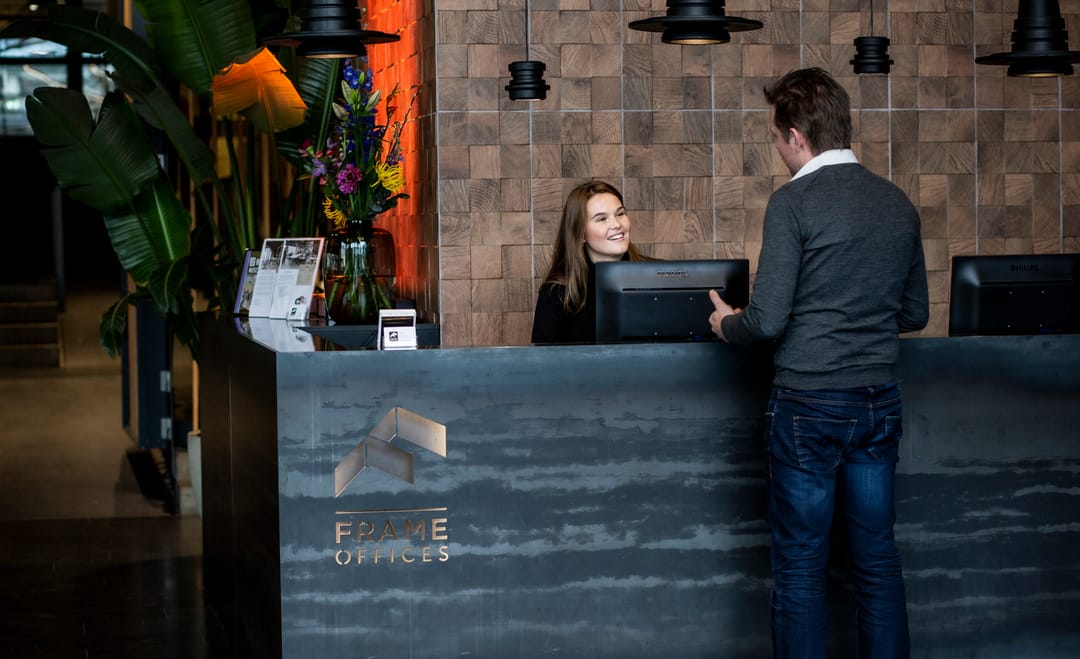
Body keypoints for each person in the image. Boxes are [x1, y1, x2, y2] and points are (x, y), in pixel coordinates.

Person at [708, 68, 928, 659]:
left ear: (797, 135)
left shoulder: (793, 202)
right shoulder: (896, 203)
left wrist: (726, 324)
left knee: (802, 565)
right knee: (877, 560)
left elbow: (766, 321)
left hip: (808, 404)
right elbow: (915, 312)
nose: (779, 150)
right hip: (878, 402)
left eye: (777, 138)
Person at [531, 180, 650, 343]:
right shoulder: (557, 293)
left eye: (620, 214)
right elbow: (542, 357)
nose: (616, 224)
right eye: (602, 219)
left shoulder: (657, 277)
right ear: (580, 233)